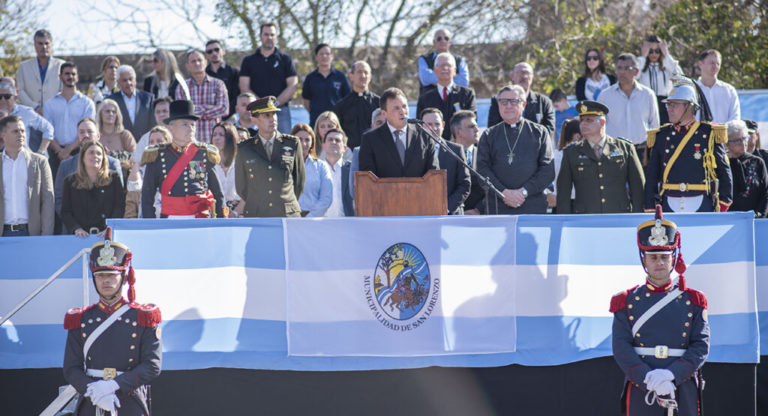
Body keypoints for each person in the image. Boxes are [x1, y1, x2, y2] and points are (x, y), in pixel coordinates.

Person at [610, 206, 709, 416]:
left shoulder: (693, 300)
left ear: (673, 258)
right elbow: (621, 346)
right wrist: (648, 378)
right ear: (643, 260)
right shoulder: (625, 301)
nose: (660, 263)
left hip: (681, 384)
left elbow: (700, 346)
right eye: (653, 258)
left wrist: (671, 375)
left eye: (664, 257)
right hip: (642, 386)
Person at [63, 237, 162, 416]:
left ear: (124, 278)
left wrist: (113, 385)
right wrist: (94, 391)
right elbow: (71, 368)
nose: (105, 281)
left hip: (129, 400)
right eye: (100, 275)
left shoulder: (143, 316)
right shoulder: (81, 318)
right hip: (91, 400)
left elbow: (152, 364)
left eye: (111, 275)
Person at [644, 76, 732, 212]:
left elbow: (724, 171)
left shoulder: (709, 133)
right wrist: (650, 206)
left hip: (701, 201)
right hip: (669, 201)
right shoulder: (661, 135)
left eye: (674, 104)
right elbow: (652, 176)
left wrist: (723, 203)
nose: (669, 109)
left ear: (689, 106)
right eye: (668, 104)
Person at [477, 85, 554, 214]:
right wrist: (503, 192)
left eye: (514, 101)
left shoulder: (539, 132)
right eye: (504, 102)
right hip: (497, 207)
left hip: (532, 206)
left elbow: (547, 171)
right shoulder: (489, 135)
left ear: (523, 104)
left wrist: (524, 191)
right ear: (498, 105)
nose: (508, 106)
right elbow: (482, 170)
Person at [556, 101, 645, 213]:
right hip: (584, 219)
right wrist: (565, 221)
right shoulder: (571, 153)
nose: (583, 124)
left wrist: (636, 217)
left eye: (589, 120)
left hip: (619, 216)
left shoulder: (625, 148)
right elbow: (563, 192)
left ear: (602, 122)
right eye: (582, 120)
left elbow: (637, 186)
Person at [141, 100, 224, 218]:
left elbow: (218, 194)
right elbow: (147, 196)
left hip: (200, 219)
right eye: (185, 124)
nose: (191, 129)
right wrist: (151, 227)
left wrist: (221, 223)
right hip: (170, 220)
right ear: (171, 128)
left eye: (193, 125)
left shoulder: (204, 153)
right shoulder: (158, 155)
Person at [235, 96, 304, 217]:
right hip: (257, 214)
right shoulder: (245, 148)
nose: (273, 119)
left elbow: (299, 182)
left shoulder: (292, 144)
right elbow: (241, 187)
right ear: (255, 120)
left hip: (287, 214)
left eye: (274, 114)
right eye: (267, 116)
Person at [55, 118, 123, 231]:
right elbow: (59, 200)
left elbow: (119, 202)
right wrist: (74, 226)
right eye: (81, 132)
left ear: (98, 135)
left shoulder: (113, 164)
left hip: (105, 231)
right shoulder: (65, 166)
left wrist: (109, 228)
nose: (85, 135)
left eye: (90, 131)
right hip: (75, 233)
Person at [359, 88, 439, 178]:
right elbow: (367, 179)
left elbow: (434, 175)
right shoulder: (370, 139)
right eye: (396, 108)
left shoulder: (424, 135)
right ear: (384, 113)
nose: (402, 112)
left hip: (418, 191)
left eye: (404, 106)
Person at [239, 22, 298, 134]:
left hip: (281, 111)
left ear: (276, 37)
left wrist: (273, 105)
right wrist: (261, 105)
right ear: (260, 36)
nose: (269, 37)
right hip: (256, 112)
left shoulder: (286, 59)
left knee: (284, 146)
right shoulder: (249, 60)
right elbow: (244, 86)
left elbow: (292, 85)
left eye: (272, 35)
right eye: (266, 34)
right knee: (255, 147)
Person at [0, 115, 54, 236]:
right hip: (3, 234)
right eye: (15, 131)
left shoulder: (40, 162)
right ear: (3, 135)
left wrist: (46, 235)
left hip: (30, 233)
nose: (21, 135)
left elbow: (48, 201)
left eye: (23, 131)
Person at [597, 53, 659, 156]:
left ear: (636, 71)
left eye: (627, 68)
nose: (622, 72)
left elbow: (655, 125)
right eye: (619, 68)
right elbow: (599, 126)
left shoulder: (648, 95)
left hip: (642, 151)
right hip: (614, 151)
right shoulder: (605, 96)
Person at [44, 62, 97, 178]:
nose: (70, 77)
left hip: (80, 152)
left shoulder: (87, 103)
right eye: (67, 74)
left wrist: (68, 150)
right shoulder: (50, 104)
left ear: (77, 77)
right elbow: (48, 131)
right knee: (55, 188)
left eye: (73, 74)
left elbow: (87, 130)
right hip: (55, 154)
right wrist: (59, 151)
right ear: (60, 77)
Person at [61, 141, 124, 237]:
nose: (95, 156)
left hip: (106, 236)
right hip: (80, 237)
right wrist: (76, 228)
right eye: (91, 152)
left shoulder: (114, 178)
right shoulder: (70, 181)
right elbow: (66, 212)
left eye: (99, 153)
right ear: (82, 157)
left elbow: (119, 207)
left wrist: (110, 228)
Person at [416, 53, 477, 142]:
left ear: (455, 70)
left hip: (460, 146)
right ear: (434, 70)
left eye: (448, 65)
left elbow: (472, 123)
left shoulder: (467, 94)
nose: (445, 68)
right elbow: (420, 127)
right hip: (433, 147)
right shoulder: (424, 98)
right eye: (441, 65)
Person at [421, 108, 470, 214]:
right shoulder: (414, 151)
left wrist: (446, 207)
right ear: (421, 127)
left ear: (443, 125)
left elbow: (465, 184)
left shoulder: (456, 150)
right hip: (423, 212)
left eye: (437, 124)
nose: (434, 128)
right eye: (429, 124)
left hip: (452, 214)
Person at [487, 63, 556, 137]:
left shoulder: (543, 102)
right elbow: (492, 130)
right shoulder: (498, 100)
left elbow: (548, 132)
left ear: (532, 77)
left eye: (527, 73)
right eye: (520, 73)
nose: (524, 76)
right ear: (512, 76)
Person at [178, 49, 229, 144]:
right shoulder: (182, 87)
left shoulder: (218, 84)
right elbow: (182, 113)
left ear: (205, 63)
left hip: (214, 140)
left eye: (199, 60)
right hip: (190, 141)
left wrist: (195, 111)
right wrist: (208, 107)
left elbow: (223, 108)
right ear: (187, 66)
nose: (197, 63)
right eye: (193, 61)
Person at [125, 125, 171, 219]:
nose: (154, 144)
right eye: (151, 141)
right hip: (147, 220)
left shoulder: (175, 165)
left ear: (168, 143)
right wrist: (137, 164)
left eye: (159, 141)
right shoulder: (144, 167)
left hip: (169, 220)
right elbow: (133, 187)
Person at [333, 61, 380, 149]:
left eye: (366, 72)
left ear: (370, 77)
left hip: (375, 150)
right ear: (351, 76)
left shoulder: (379, 103)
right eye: (359, 72)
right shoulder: (341, 106)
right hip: (349, 153)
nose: (363, 76)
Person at [0, 77, 54, 154]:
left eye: (7, 96)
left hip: (23, 160)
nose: (3, 100)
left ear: (15, 97)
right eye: (0, 97)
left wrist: (40, 152)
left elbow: (48, 128)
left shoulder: (25, 112)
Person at [302, 43, 351, 127]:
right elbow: (306, 101)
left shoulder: (340, 77)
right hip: (316, 122)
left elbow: (348, 98)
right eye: (321, 54)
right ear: (316, 57)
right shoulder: (310, 78)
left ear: (332, 56)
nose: (324, 56)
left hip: (336, 121)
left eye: (327, 54)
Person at [726, 120, 768, 217]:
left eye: (744, 138)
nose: (743, 143)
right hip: (729, 219)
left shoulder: (757, 162)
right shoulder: (723, 164)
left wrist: (760, 215)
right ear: (727, 143)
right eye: (737, 140)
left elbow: (766, 193)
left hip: (755, 218)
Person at [15, 30, 63, 113]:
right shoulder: (24, 67)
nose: (44, 47)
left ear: (51, 45)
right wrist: (35, 107)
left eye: (47, 43)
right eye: (40, 44)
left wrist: (50, 108)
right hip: (30, 113)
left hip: (55, 112)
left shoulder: (61, 65)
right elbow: (19, 90)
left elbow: (63, 90)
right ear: (35, 45)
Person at [637, 35, 682, 125]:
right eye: (650, 51)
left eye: (657, 51)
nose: (654, 54)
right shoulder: (641, 67)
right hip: (646, 103)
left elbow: (679, 77)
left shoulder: (667, 66)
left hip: (664, 104)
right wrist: (643, 56)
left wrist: (667, 54)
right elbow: (633, 76)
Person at [293, 123, 332, 217]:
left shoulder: (321, 166)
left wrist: (309, 218)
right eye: (299, 139)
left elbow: (326, 199)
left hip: (313, 221)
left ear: (312, 143)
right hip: (289, 219)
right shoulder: (283, 165)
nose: (303, 144)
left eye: (307, 140)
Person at [417, 28, 469, 97]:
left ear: (450, 42)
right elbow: (426, 79)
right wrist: (451, 76)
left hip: (455, 101)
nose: (443, 41)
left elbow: (464, 81)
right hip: (430, 102)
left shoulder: (459, 60)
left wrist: (437, 78)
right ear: (434, 42)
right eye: (439, 38)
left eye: (446, 38)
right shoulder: (424, 59)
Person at [108, 66, 155, 141]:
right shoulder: (111, 100)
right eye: (124, 80)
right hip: (121, 144)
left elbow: (153, 123)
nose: (128, 83)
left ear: (135, 80)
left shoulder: (148, 98)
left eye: (130, 79)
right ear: (118, 82)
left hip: (145, 144)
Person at [450, 110, 483, 214]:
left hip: (479, 218)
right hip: (451, 216)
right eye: (471, 127)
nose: (477, 130)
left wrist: (478, 210)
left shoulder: (484, 155)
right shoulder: (446, 154)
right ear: (458, 132)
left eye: (476, 126)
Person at [696, 49, 739, 124]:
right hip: (697, 135)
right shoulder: (691, 90)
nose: (715, 66)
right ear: (700, 64)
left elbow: (735, 119)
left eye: (718, 64)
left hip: (724, 135)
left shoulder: (729, 90)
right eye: (712, 63)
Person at [320, 128, 354, 217]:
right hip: (321, 224)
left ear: (345, 148)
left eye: (337, 140)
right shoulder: (316, 169)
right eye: (330, 139)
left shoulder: (352, 170)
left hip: (347, 223)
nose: (333, 142)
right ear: (323, 146)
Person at [211, 122, 242, 217]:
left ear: (230, 138)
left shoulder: (241, 163)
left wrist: (234, 213)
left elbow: (250, 194)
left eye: (221, 135)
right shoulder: (209, 163)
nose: (217, 138)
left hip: (240, 215)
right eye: (214, 135)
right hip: (215, 215)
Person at [132, 96, 172, 165]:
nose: (161, 114)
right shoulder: (145, 138)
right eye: (158, 112)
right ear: (154, 115)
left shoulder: (180, 135)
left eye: (165, 111)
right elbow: (136, 162)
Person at [205, 39, 240, 119]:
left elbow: (237, 96)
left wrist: (226, 113)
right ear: (206, 55)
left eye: (217, 50)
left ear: (223, 51)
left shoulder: (234, 72)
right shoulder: (204, 74)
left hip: (231, 117)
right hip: (209, 117)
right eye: (210, 51)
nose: (214, 53)